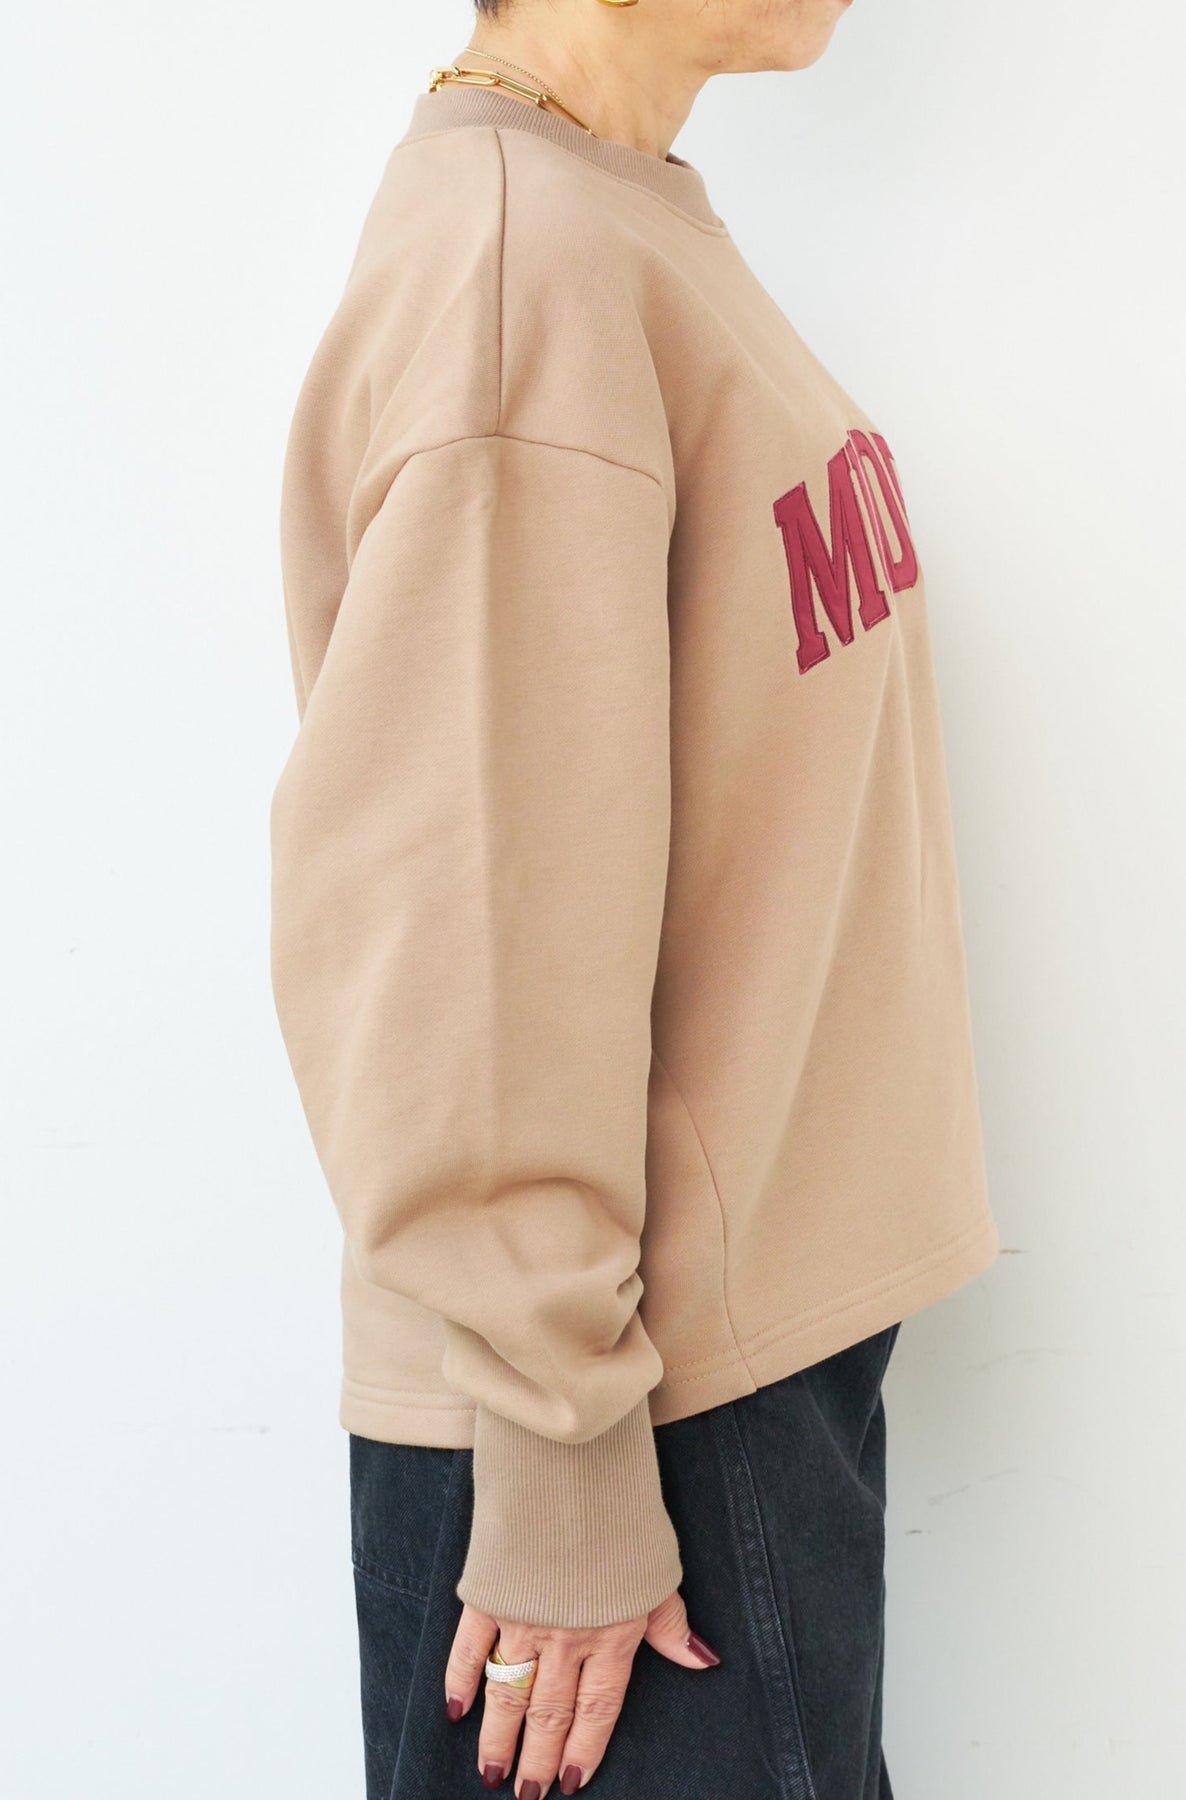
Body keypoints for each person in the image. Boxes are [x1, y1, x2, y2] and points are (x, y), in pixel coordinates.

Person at [268, 0, 1001, 1794]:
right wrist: (562, 1452)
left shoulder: (611, 213)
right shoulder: (522, 265)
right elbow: (466, 907)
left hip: (716, 1376)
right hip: (631, 1423)